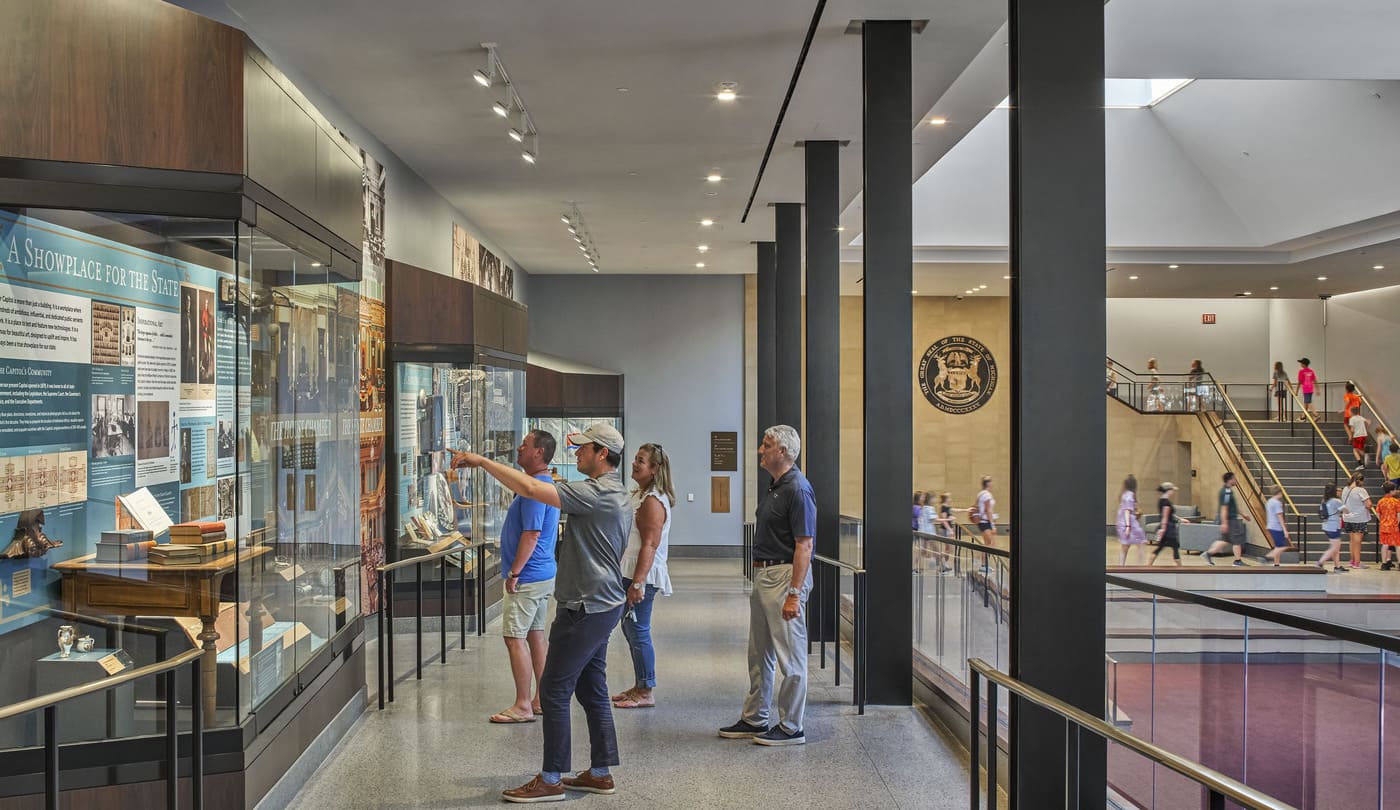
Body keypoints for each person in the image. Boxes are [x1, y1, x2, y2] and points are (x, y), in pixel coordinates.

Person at [455, 422, 632, 802]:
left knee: (553, 688)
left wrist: (482, 461)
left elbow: (533, 487)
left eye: (584, 448)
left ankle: (551, 778)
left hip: (586, 607)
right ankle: (600, 772)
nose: (577, 453)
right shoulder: (615, 491)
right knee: (592, 687)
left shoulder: (596, 493)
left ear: (602, 454)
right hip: (601, 603)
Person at [720, 425, 815, 747]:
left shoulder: (797, 489)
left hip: (785, 577)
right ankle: (755, 718)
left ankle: (791, 727)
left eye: (767, 444)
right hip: (765, 576)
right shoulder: (776, 486)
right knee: (759, 653)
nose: (761, 450)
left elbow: (804, 545)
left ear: (784, 452)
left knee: (791, 656)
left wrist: (794, 593)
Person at [488, 430, 560, 725]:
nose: (519, 448)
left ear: (539, 453)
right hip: (542, 574)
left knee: (514, 637)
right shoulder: (542, 485)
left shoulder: (535, 490)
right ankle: (541, 699)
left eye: (525, 445)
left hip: (528, 576)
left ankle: (522, 704)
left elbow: (531, 534)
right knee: (535, 635)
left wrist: (515, 571)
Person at [611, 443, 675, 710]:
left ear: (655, 468)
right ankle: (639, 685)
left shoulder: (653, 501)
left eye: (641, 461)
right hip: (630, 572)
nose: (634, 464)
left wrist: (638, 583)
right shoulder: (640, 494)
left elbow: (650, 544)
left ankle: (646, 689)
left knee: (638, 630)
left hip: (641, 576)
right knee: (630, 629)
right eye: (635, 459)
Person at [1203, 472, 1250, 566]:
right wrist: (1224, 523)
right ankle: (1238, 561)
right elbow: (1224, 508)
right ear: (1230, 480)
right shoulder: (1226, 492)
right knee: (1237, 540)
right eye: (1234, 478)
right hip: (1230, 520)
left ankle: (1208, 554)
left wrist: (1243, 514)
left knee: (1225, 540)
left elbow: (1232, 506)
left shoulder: (1226, 490)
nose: (1236, 480)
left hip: (1228, 519)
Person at [1340, 470, 1374, 570]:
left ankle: (1352, 560)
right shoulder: (1360, 490)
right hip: (1359, 518)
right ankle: (1357, 562)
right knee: (1358, 541)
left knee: (1352, 540)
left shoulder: (1345, 489)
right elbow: (1368, 504)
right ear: (1360, 481)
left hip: (1347, 517)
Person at [1149, 482, 1185, 566]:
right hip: (1169, 529)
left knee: (1160, 548)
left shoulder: (1161, 500)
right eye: (1172, 490)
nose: (1173, 492)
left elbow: (1169, 514)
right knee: (1175, 547)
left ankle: (1149, 566)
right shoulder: (1166, 502)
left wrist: (1180, 519)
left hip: (1166, 527)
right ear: (1168, 490)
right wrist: (1163, 529)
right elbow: (1165, 517)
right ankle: (1180, 568)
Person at [1116, 475, 1146, 566]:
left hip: (1122, 522)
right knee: (1141, 541)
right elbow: (1127, 511)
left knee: (1125, 546)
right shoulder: (1130, 495)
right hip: (1129, 523)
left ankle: (1121, 566)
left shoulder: (1124, 494)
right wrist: (1128, 526)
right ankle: (1141, 566)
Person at [1315, 482, 1346, 572]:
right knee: (1335, 548)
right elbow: (1346, 510)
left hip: (1326, 525)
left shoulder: (1324, 500)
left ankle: (1337, 566)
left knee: (1334, 546)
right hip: (1334, 526)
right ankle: (1320, 562)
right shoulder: (1336, 501)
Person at [1264, 487, 1291, 567]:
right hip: (1277, 527)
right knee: (1283, 546)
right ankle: (1267, 558)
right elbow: (1280, 517)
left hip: (1270, 526)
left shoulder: (1269, 502)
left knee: (1277, 546)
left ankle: (1276, 564)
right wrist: (1285, 530)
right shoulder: (1277, 503)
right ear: (1279, 493)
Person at [970, 476, 997, 546]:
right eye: (991, 482)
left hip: (982, 522)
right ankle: (983, 557)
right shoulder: (987, 495)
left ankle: (983, 557)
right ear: (988, 484)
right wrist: (993, 525)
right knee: (991, 543)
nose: (992, 484)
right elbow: (988, 510)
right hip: (985, 522)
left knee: (986, 544)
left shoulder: (981, 493)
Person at [1379, 482, 1400, 571]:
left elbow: (1377, 513)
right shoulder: (1396, 501)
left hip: (1384, 526)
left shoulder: (1381, 501)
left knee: (1385, 544)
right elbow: (1399, 514)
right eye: (1394, 490)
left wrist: (1382, 520)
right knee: (1397, 545)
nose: (1395, 491)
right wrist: (1397, 522)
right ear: (1391, 491)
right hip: (1394, 526)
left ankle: (1384, 563)